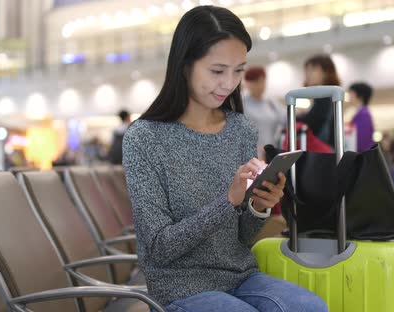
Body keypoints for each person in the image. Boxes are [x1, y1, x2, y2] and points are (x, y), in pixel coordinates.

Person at [122, 6, 327, 312]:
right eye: (217, 71)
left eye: (239, 70)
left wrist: (259, 205)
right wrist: (227, 202)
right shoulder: (144, 139)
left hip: (241, 276)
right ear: (184, 65)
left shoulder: (241, 129)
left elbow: (242, 238)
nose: (229, 83)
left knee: (312, 308)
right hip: (179, 285)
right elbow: (160, 248)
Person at [298, 54, 342, 148]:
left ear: (325, 72)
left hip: (323, 155)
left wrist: (294, 116)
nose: (307, 74)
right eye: (306, 70)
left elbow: (312, 122)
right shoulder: (330, 97)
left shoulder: (324, 97)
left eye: (312, 69)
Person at [243, 66, 286, 158]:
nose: (261, 85)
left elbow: (286, 118)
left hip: (271, 151)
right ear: (248, 83)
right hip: (250, 153)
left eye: (263, 81)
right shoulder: (243, 104)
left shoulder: (271, 102)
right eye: (257, 81)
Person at [347, 82, 375, 152]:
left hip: (363, 155)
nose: (349, 96)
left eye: (351, 93)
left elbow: (361, 141)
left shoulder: (364, 114)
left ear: (360, 96)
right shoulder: (361, 113)